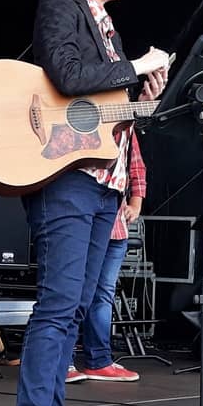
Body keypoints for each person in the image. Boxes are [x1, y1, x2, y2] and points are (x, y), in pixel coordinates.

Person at [9, 0, 171, 406]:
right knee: (57, 306)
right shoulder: (63, 6)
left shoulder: (110, 30)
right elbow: (68, 77)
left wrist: (146, 96)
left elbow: (101, 113)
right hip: (69, 181)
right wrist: (137, 65)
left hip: (106, 182)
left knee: (75, 308)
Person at [67, 130, 146, 384]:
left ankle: (99, 360)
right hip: (84, 218)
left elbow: (136, 166)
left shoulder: (128, 129)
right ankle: (63, 361)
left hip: (116, 227)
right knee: (72, 292)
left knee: (103, 295)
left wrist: (136, 204)